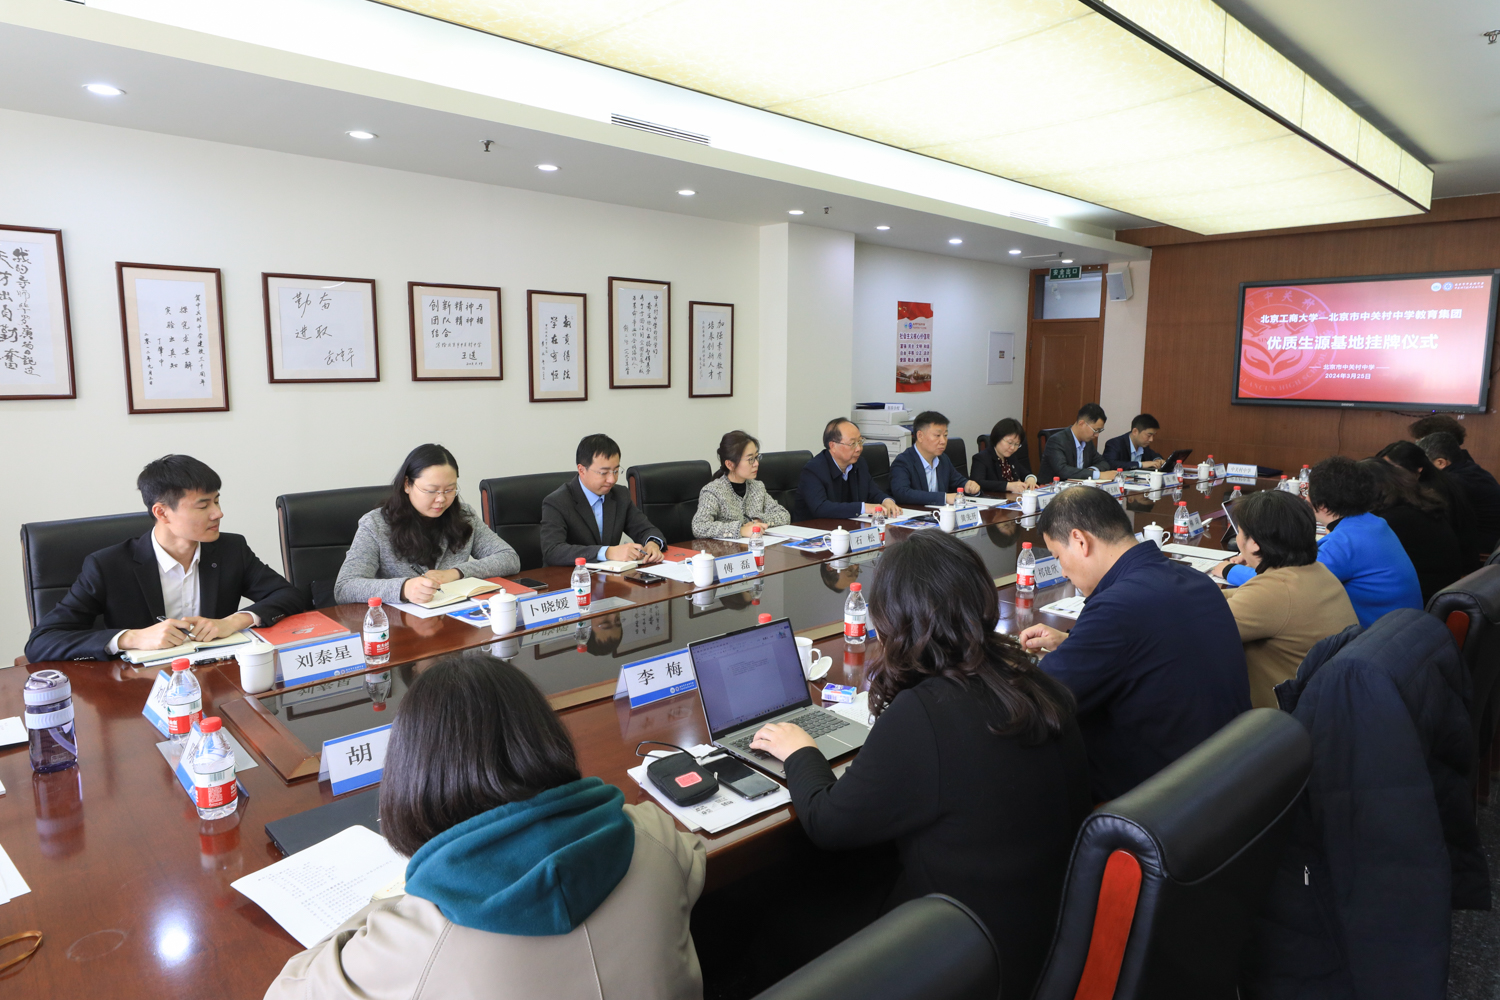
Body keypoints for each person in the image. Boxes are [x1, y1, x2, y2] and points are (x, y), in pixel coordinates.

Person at [749, 530, 1090, 1000]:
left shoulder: (927, 713)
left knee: (767, 919)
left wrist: (800, 751)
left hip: (966, 952)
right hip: (1045, 928)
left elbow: (828, 822)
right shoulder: (1030, 679)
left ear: (893, 620)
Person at [264, 651, 706, 1000]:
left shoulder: (412, 937)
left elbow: (286, 990)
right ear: (545, 737)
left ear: (414, 776)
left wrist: (393, 904)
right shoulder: (653, 834)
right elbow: (693, 863)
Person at [1017, 486, 1249, 801]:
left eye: (1058, 557)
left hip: (1159, 799)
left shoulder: (1116, 607)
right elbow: (1149, 646)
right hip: (1225, 776)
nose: (1062, 570)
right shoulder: (1197, 580)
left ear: (1080, 541)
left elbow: (1037, 699)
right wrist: (1074, 643)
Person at [25, 455, 306, 663]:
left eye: (217, 500)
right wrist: (132, 637)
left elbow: (289, 596)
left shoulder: (231, 549)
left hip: (218, 676)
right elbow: (41, 642)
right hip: (140, 689)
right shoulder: (107, 566)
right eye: (203, 505)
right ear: (161, 513)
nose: (218, 513)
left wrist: (233, 621)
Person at [1205, 490, 1357, 708]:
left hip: (1279, 717)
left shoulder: (1274, 592)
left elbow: (1196, 631)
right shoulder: (1314, 571)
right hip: (1323, 704)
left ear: (1254, 543)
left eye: (1239, 531)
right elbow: (1243, 595)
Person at [1230, 457, 1419, 628]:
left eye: (1308, 492)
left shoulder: (1344, 543)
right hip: (1399, 632)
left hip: (1371, 639)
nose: (1306, 498)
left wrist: (1228, 570)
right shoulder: (1374, 524)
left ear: (1321, 505)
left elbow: (1287, 586)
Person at [336, 444, 520, 605]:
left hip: (456, 617)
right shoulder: (375, 524)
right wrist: (404, 588)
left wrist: (456, 573)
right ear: (407, 484)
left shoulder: (464, 516)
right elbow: (345, 587)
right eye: (431, 490)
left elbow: (509, 558)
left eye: (449, 490)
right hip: (400, 624)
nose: (441, 499)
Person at [541, 434, 667, 566]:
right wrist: (607, 552)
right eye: (604, 473)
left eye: (616, 471)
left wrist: (652, 544)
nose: (612, 480)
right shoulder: (557, 502)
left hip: (609, 575)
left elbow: (646, 529)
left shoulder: (620, 495)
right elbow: (552, 551)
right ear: (582, 470)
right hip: (571, 575)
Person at [1362, 458, 1470, 602]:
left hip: (1418, 599)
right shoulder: (1414, 508)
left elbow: (1357, 561)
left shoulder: (1394, 519)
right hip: (1435, 590)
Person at [1379, 438, 1482, 556]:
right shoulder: (1441, 481)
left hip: (1452, 559)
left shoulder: (1432, 492)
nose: (1386, 475)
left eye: (1393, 469)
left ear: (1418, 469)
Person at [793, 418, 902, 521]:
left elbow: (873, 492)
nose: (859, 448)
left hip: (847, 526)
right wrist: (863, 508)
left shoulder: (859, 464)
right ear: (833, 446)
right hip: (814, 529)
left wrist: (886, 500)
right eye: (853, 443)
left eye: (860, 441)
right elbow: (820, 508)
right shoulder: (813, 470)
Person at [690, 431, 791, 538]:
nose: (756, 463)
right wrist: (741, 530)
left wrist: (758, 521)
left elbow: (784, 515)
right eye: (750, 459)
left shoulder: (757, 487)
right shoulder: (713, 491)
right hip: (726, 548)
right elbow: (699, 527)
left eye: (756, 457)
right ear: (730, 464)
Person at [1417, 431, 1500, 553]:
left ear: (1441, 463)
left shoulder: (1454, 482)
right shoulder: (1471, 470)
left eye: (1423, 465)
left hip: (1480, 548)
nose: (1420, 470)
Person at [889, 410, 980, 507]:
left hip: (940, 513)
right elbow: (902, 493)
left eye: (945, 435)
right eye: (937, 435)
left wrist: (969, 486)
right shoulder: (903, 461)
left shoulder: (943, 459)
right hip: (918, 514)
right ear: (920, 436)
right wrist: (944, 498)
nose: (943, 441)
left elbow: (958, 482)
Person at [1038, 404, 1110, 482]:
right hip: (1053, 487)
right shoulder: (1056, 441)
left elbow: (1103, 463)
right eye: (1095, 430)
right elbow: (1063, 470)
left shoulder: (1087, 442)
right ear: (1081, 424)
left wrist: (1091, 471)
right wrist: (1097, 475)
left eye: (1099, 431)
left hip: (1078, 486)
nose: (1097, 435)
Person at [970, 417, 1037, 494]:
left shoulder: (1011, 457)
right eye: (1010, 443)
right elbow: (977, 483)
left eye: (1016, 444)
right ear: (998, 438)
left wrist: (1030, 478)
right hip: (995, 498)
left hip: (1014, 498)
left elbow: (1025, 473)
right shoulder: (981, 458)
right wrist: (1008, 486)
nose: (1012, 448)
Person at [1101, 413, 1166, 471]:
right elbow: (1110, 464)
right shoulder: (1115, 443)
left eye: (1153, 436)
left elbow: (1154, 455)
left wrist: (1158, 460)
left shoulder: (1144, 445)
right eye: (1149, 435)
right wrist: (1141, 464)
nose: (1151, 439)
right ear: (1135, 432)